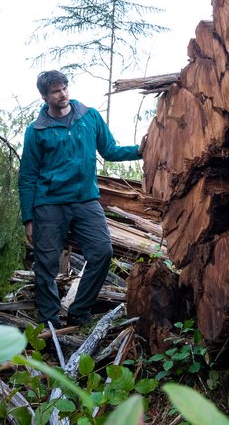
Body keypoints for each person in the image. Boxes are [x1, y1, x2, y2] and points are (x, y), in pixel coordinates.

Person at [18, 70, 143, 327]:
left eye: (64, 88)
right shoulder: (37, 131)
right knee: (46, 265)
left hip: (86, 200)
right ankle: (49, 323)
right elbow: (28, 176)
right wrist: (27, 218)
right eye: (55, 91)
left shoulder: (89, 117)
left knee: (102, 252)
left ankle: (79, 311)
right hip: (49, 204)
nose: (62, 94)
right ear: (44, 96)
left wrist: (141, 151)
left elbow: (109, 151)